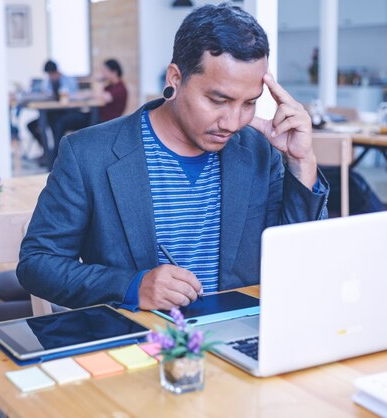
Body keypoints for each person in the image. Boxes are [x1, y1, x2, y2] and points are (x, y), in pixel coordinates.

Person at [17, 4, 329, 311]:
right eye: (218, 100)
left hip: (238, 336)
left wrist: (302, 162)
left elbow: (298, 260)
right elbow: (38, 264)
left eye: (249, 103)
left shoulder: (259, 151)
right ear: (175, 79)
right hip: (138, 346)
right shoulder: (88, 154)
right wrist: (131, 286)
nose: (233, 122)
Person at [51, 59, 128, 143]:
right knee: (60, 120)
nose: (102, 73)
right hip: (95, 117)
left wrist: (100, 81)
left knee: (62, 122)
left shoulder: (120, 88)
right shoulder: (111, 86)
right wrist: (81, 95)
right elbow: (95, 94)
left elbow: (100, 97)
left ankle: (57, 154)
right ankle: (56, 153)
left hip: (103, 121)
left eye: (104, 71)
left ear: (114, 72)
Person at [27, 60, 78, 155]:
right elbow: (46, 94)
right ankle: (48, 153)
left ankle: (57, 155)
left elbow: (72, 96)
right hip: (52, 112)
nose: (50, 76)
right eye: (49, 74)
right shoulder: (48, 82)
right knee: (32, 125)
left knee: (57, 123)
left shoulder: (69, 80)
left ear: (56, 71)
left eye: (51, 74)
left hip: (67, 112)